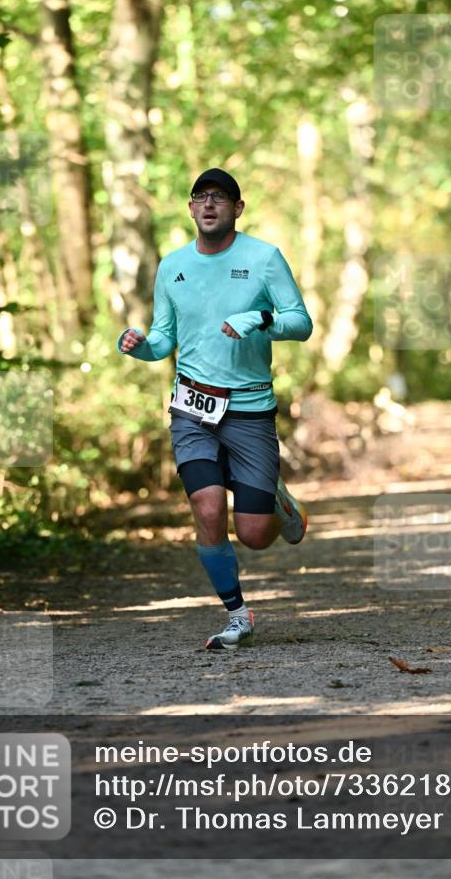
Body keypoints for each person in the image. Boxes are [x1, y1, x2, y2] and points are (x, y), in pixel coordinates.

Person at [117, 168, 313, 650]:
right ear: (190, 209)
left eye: (220, 198)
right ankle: (237, 615)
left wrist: (257, 319)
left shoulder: (264, 258)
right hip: (192, 410)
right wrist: (141, 346)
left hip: (249, 410)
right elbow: (164, 338)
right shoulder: (172, 266)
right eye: (200, 197)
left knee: (254, 535)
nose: (209, 205)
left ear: (237, 209)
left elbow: (300, 323)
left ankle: (277, 501)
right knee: (206, 506)